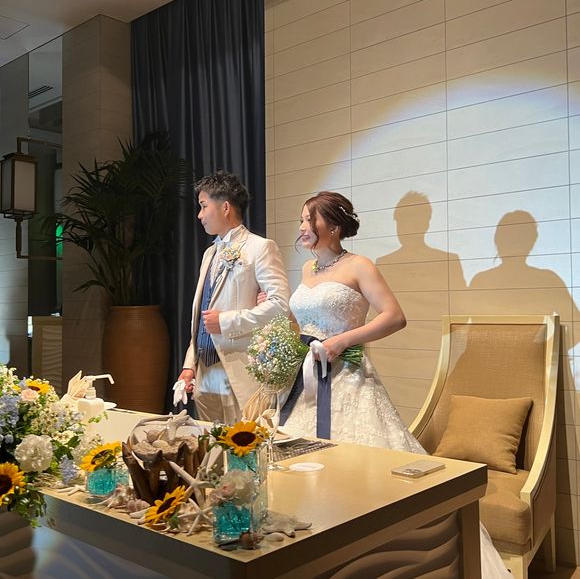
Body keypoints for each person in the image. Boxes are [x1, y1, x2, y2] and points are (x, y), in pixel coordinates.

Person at [275, 191, 511, 578]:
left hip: (349, 379)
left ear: (332, 226)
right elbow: (303, 323)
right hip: (307, 383)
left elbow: (394, 316)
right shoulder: (307, 270)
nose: (301, 227)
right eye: (301, 220)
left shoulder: (359, 265)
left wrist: (343, 340)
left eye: (308, 219)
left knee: (361, 476)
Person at [178, 170, 289, 423]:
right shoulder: (209, 253)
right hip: (206, 372)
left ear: (225, 207)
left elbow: (280, 305)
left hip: (240, 368)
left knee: (244, 441)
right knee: (210, 440)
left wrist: (226, 321)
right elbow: (202, 313)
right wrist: (189, 364)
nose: (200, 215)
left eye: (204, 206)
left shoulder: (260, 247)